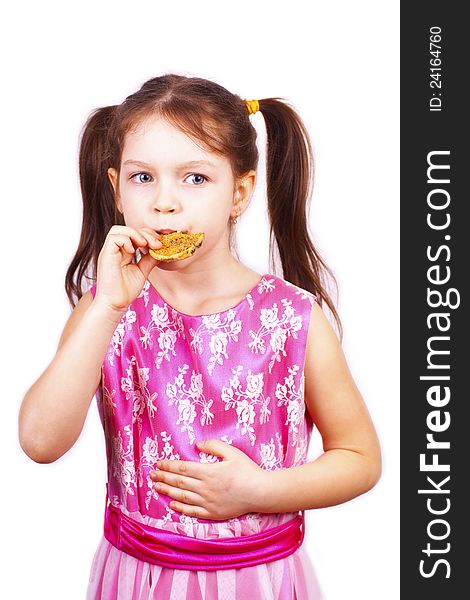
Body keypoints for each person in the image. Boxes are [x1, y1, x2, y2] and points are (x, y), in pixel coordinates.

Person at [18, 74, 381, 599]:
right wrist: (108, 307)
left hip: (260, 580)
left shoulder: (292, 318)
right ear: (116, 190)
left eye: (194, 179)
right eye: (144, 178)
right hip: (139, 579)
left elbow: (360, 457)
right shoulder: (106, 309)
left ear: (240, 192)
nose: (165, 203)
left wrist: (260, 490)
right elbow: (39, 442)